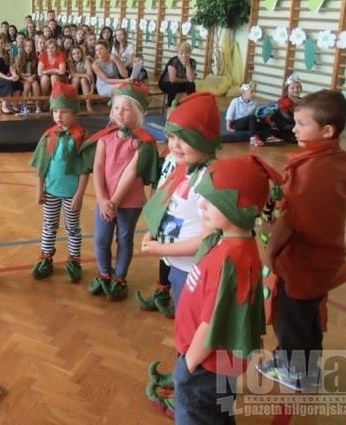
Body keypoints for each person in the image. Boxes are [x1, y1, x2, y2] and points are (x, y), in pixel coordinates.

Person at [260, 90, 346, 391]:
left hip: (304, 260)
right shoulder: (335, 159)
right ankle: (301, 364)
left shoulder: (313, 170)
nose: (293, 129)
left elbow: (290, 220)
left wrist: (270, 254)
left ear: (327, 131)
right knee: (307, 316)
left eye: (302, 124)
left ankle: (296, 372)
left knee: (292, 318)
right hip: (321, 259)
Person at [172, 156, 278, 424]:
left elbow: (211, 324)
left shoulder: (230, 260)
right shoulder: (236, 244)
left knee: (200, 415)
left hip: (205, 367)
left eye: (212, 201)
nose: (202, 205)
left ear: (239, 209)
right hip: (218, 363)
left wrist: (188, 366)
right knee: (219, 414)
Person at [138, 92, 221, 315]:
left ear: (202, 139)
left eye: (183, 138)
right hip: (177, 265)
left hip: (193, 271)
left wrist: (163, 248)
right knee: (183, 325)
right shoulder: (184, 170)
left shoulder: (207, 180)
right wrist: (156, 233)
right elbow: (176, 213)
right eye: (172, 137)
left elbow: (208, 239)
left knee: (190, 328)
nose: (175, 145)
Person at [87, 83, 159, 300]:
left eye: (126, 109)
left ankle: (120, 278)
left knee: (125, 239)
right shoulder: (105, 138)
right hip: (105, 200)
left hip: (130, 202)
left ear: (136, 112)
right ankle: (104, 274)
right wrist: (102, 199)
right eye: (116, 107)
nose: (119, 112)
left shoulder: (143, 142)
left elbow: (131, 172)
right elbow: (97, 168)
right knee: (101, 239)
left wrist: (114, 202)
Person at [30, 82, 94, 283]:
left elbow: (85, 169)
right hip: (51, 192)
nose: (58, 116)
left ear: (74, 112)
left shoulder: (81, 136)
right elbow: (42, 165)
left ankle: (74, 259)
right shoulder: (49, 136)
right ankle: (46, 256)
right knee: (49, 224)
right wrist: (40, 189)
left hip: (70, 193)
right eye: (55, 111)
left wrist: (79, 195)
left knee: (72, 227)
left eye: (64, 111)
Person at [14, 37, 41, 114]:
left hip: (32, 77)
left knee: (35, 84)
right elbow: (18, 72)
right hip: (22, 78)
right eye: (26, 46)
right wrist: (26, 78)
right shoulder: (18, 57)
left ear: (33, 47)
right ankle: (24, 106)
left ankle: (37, 106)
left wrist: (33, 76)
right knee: (27, 85)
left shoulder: (35, 57)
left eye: (30, 46)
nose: (28, 48)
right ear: (23, 46)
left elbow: (36, 71)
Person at [67, 46, 94, 111]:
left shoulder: (86, 61)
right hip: (74, 81)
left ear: (82, 53)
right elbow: (73, 74)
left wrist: (92, 90)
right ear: (71, 55)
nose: (76, 55)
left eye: (78, 53)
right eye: (74, 54)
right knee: (77, 79)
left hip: (86, 81)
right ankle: (75, 103)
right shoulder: (70, 61)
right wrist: (85, 74)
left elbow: (91, 76)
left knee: (83, 80)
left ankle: (88, 104)